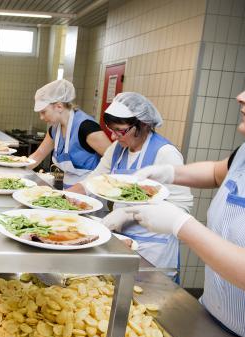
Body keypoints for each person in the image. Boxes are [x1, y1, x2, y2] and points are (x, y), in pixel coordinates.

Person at [113, 88, 245, 337]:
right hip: (214, 316)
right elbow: (218, 172)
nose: (241, 95)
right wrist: (170, 173)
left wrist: (181, 224)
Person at [68, 92, 193, 274]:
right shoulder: (117, 149)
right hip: (123, 239)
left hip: (154, 246)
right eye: (112, 130)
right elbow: (93, 181)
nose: (113, 137)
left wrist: (130, 214)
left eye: (120, 131)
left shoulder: (165, 153)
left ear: (142, 125)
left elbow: (182, 207)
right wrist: (62, 198)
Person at [28, 79, 111, 188]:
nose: (42, 117)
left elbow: (113, 159)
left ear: (59, 106)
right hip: (68, 188)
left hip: (91, 191)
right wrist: (16, 171)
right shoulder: (55, 130)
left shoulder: (86, 127)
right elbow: (37, 156)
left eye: (43, 112)